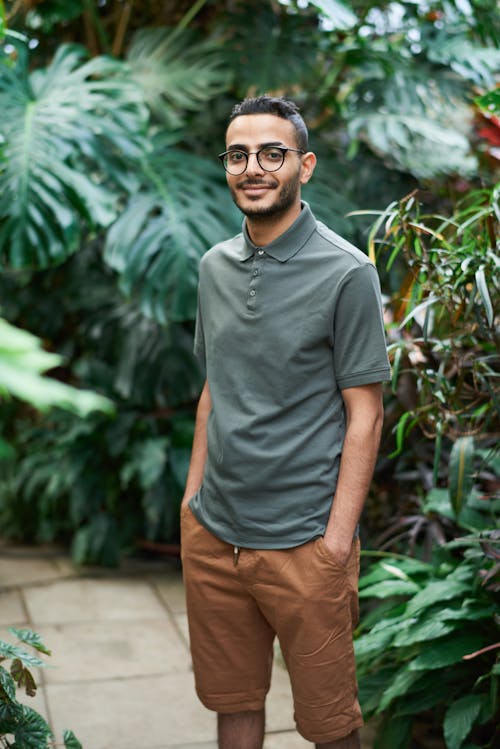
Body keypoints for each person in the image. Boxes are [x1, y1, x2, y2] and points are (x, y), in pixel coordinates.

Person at [180, 95, 391, 749]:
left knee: (332, 727)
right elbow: (214, 391)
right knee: (234, 704)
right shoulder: (214, 266)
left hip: (304, 544)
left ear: (305, 164)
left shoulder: (347, 271)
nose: (254, 167)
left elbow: (367, 414)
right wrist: (193, 504)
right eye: (239, 154)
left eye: (272, 153)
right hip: (216, 535)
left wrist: (335, 544)